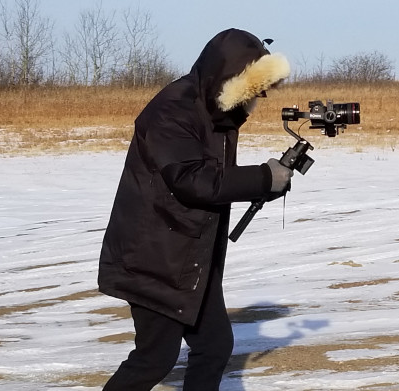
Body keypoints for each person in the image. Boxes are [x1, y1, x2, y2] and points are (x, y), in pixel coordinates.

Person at [97, 28, 292, 391]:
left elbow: (214, 180)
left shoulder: (214, 113)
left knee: (214, 347)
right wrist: (263, 179)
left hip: (188, 257)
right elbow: (193, 180)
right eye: (256, 86)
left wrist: (268, 182)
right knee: (154, 358)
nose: (262, 96)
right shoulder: (172, 110)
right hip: (155, 258)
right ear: (232, 78)